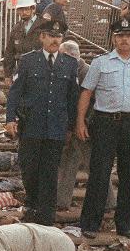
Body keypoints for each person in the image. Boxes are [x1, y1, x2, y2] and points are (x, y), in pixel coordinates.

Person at [77, 19, 130, 239]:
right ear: (114, 39)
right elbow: (86, 93)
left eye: (129, 36)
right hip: (104, 122)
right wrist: (80, 121)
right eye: (120, 36)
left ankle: (126, 224)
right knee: (100, 173)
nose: (124, 40)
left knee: (128, 175)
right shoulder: (100, 63)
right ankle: (91, 223)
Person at [5, 20, 78, 225]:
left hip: (56, 127)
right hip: (31, 125)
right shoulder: (28, 61)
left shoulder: (69, 64)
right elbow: (15, 92)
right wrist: (10, 118)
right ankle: (32, 205)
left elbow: (72, 98)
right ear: (42, 38)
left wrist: (71, 126)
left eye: (58, 37)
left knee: (50, 170)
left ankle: (46, 215)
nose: (55, 40)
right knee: (29, 168)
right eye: (51, 36)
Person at [56, 40, 117, 211]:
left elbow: (99, 102)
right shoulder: (67, 70)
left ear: (70, 56)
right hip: (71, 127)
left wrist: (84, 123)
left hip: (87, 128)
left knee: (95, 166)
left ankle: (108, 202)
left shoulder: (89, 72)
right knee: (67, 162)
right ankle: (61, 200)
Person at [2, 0, 41, 86]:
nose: (23, 12)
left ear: (33, 8)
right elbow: (9, 52)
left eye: (26, 9)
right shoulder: (16, 28)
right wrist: (7, 75)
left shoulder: (44, 25)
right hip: (21, 70)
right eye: (20, 9)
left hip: (40, 70)